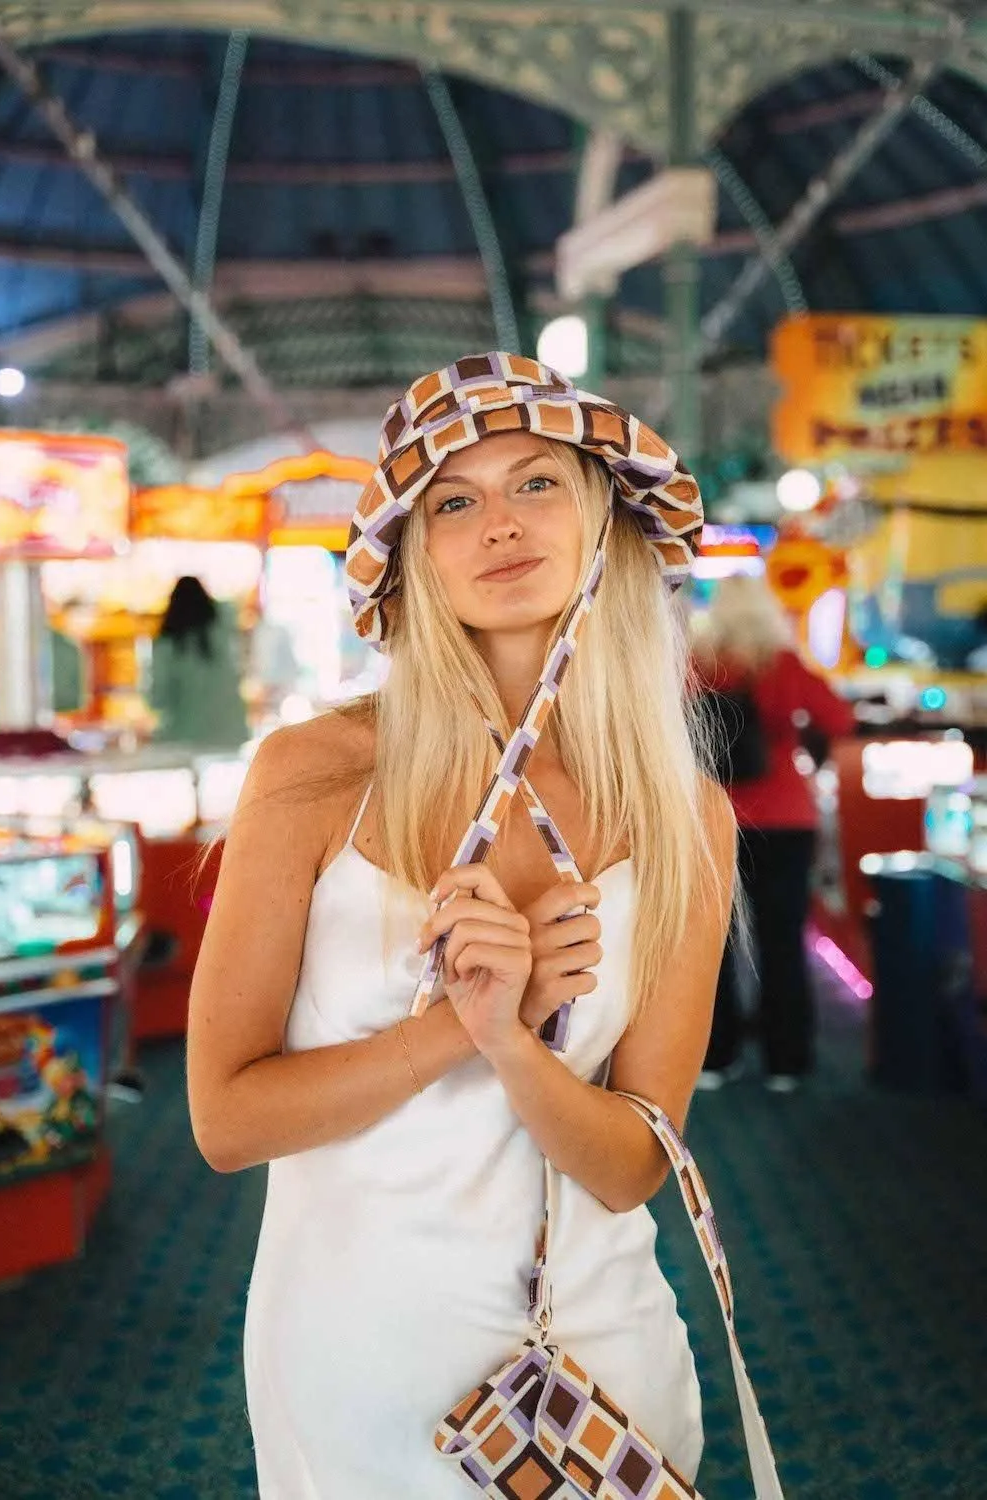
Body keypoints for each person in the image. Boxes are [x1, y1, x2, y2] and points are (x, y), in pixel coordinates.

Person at [186, 355, 741, 1496]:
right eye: (454, 500)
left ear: (603, 519)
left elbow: (636, 1163)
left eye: (537, 483)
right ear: (411, 553)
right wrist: (460, 1025)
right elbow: (225, 1121)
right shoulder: (311, 776)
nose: (499, 524)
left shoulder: (684, 811)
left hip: (597, 1352)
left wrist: (511, 1050)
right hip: (356, 1359)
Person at [693, 574, 855, 1094]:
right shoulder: (783, 665)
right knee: (782, 941)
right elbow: (840, 717)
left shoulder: (697, 663)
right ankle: (786, 1060)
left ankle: (715, 1056)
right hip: (786, 818)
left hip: (712, 817)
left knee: (710, 947)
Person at [150, 576, 248, 748]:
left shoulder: (168, 645)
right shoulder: (223, 632)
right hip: (231, 733)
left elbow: (158, 698)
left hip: (185, 736)